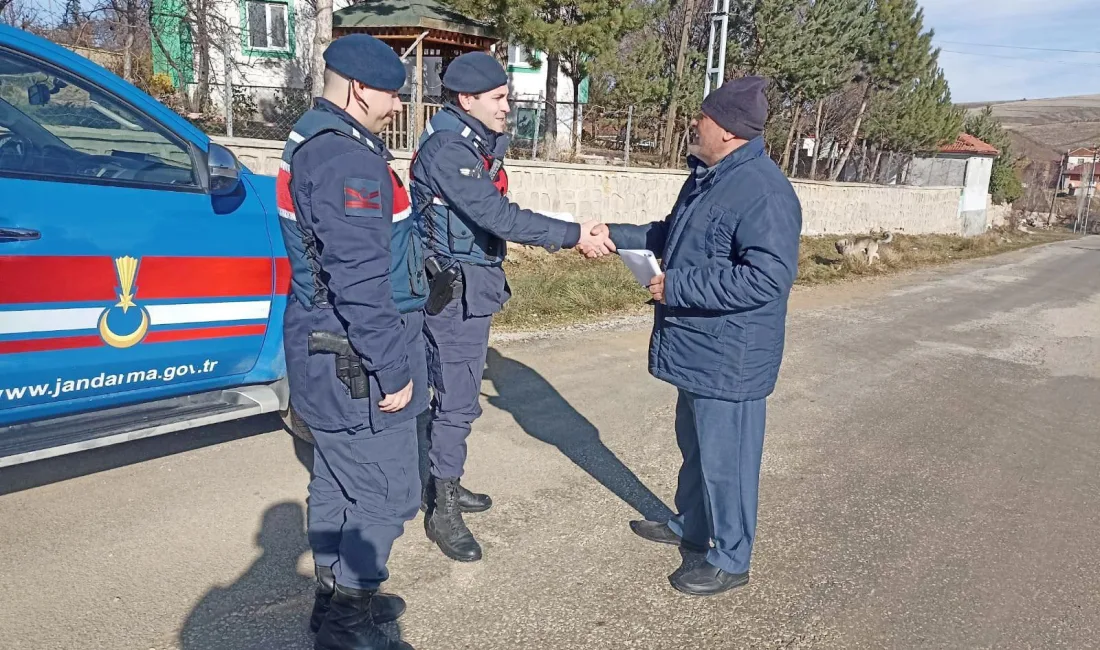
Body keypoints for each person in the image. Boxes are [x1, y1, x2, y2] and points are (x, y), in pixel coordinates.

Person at [590, 76, 802, 596]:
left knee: (728, 462)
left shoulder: (764, 191)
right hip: (700, 346)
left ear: (727, 130)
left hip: (731, 356)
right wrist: (616, 235)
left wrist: (677, 286)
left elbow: (767, 278)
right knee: (697, 447)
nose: (694, 122)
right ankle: (693, 525)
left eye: (702, 117)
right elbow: (672, 234)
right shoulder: (708, 177)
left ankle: (731, 558)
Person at [408, 51, 612, 562]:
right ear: (466, 99)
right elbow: (498, 216)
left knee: (455, 397)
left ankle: (444, 481)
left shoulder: (465, 141)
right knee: (456, 401)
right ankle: (441, 508)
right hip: (454, 294)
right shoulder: (449, 150)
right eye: (498, 98)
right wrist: (573, 234)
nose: (507, 106)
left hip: (467, 286)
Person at [276, 34, 427, 650]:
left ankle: (333, 598)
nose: (398, 106)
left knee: (337, 480)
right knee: (388, 492)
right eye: (392, 94)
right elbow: (360, 282)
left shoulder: (316, 138)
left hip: (323, 345)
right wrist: (393, 369)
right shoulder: (346, 160)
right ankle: (346, 624)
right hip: (353, 359)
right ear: (360, 89)